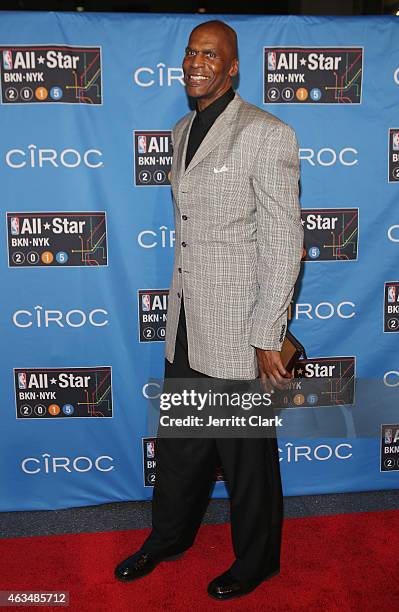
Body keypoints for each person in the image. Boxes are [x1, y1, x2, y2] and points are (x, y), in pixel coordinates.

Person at [115, 19, 303, 600]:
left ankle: (257, 562)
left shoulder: (265, 133)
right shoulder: (179, 131)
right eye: (192, 52)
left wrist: (269, 332)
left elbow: (282, 239)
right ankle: (169, 537)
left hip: (242, 328)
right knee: (181, 449)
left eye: (211, 54)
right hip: (187, 324)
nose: (197, 62)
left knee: (246, 460)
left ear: (233, 66)